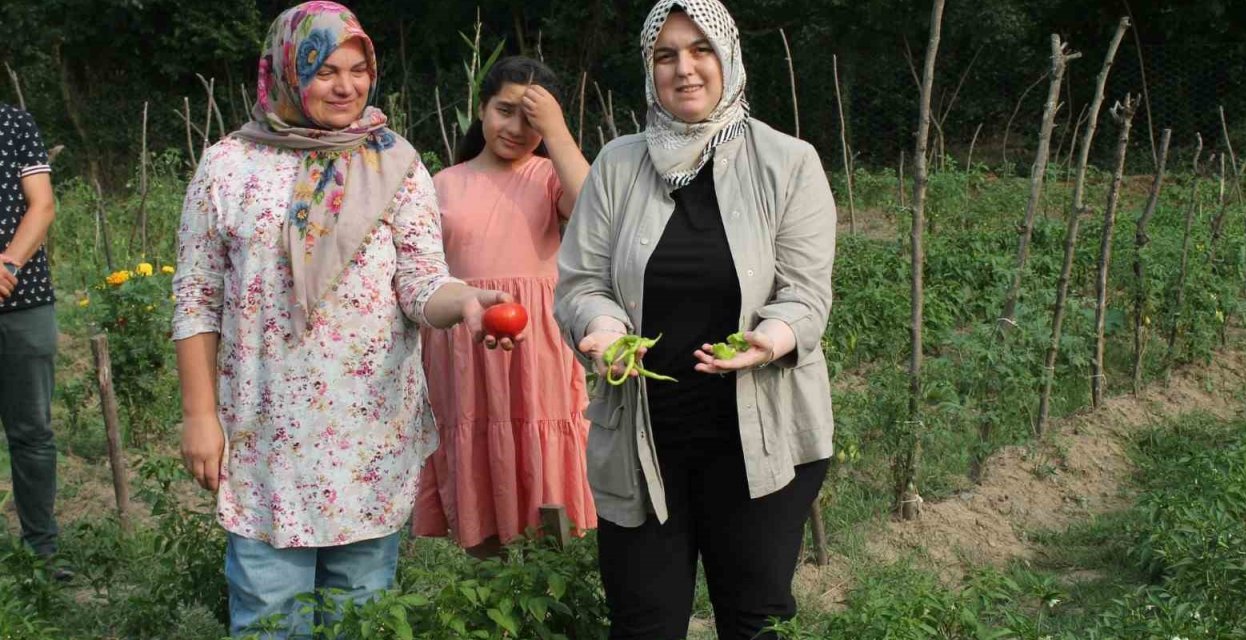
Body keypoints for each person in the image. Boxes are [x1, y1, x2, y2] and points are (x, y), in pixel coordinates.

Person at [172, 2, 520, 636]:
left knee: (362, 612)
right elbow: (196, 297)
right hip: (265, 429)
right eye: (325, 70)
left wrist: (466, 303)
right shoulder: (228, 166)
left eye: (358, 70)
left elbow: (420, 282)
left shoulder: (394, 163)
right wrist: (200, 415)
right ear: (285, 69)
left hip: (367, 428)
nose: (346, 87)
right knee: (269, 616)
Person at [553, 1, 837, 638]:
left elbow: (806, 294)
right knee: (643, 620)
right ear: (649, 68)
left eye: (700, 49)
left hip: (760, 437)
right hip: (643, 439)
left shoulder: (788, 163)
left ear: (729, 56)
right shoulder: (617, 166)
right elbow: (583, 282)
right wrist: (600, 329)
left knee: (753, 617)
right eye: (666, 54)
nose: (685, 68)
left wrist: (768, 341)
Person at [412, 56, 596, 557]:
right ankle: (488, 585)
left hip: (537, 350)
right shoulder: (443, 184)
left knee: (543, 453)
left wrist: (557, 133)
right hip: (464, 350)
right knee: (478, 453)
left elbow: (595, 209)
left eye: (531, 119)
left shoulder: (549, 177)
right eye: (504, 111)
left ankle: (554, 578)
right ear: (481, 108)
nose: (516, 128)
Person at [0, 103, 60, 571]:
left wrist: (7, 265)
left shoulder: (15, 122)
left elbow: (42, 204)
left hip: (24, 300)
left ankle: (41, 551)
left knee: (32, 433)